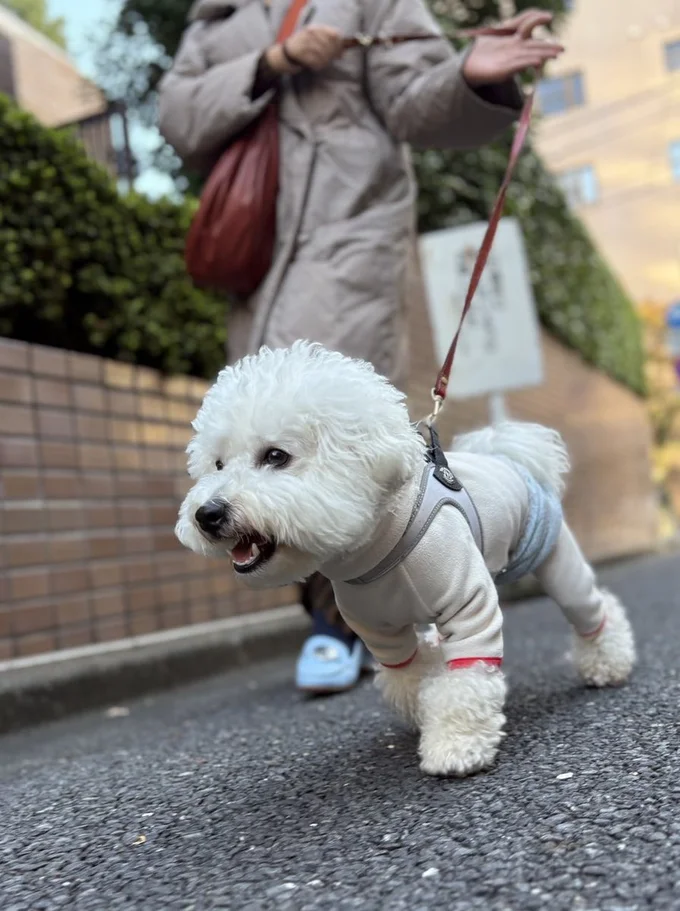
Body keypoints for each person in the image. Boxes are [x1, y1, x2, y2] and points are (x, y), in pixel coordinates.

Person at [158, 0, 563, 695]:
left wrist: (468, 74)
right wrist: (274, 62)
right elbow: (179, 118)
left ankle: (358, 614)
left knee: (332, 435)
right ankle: (356, 613)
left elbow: (416, 101)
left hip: (350, 232)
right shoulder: (212, 20)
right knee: (267, 443)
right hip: (257, 254)